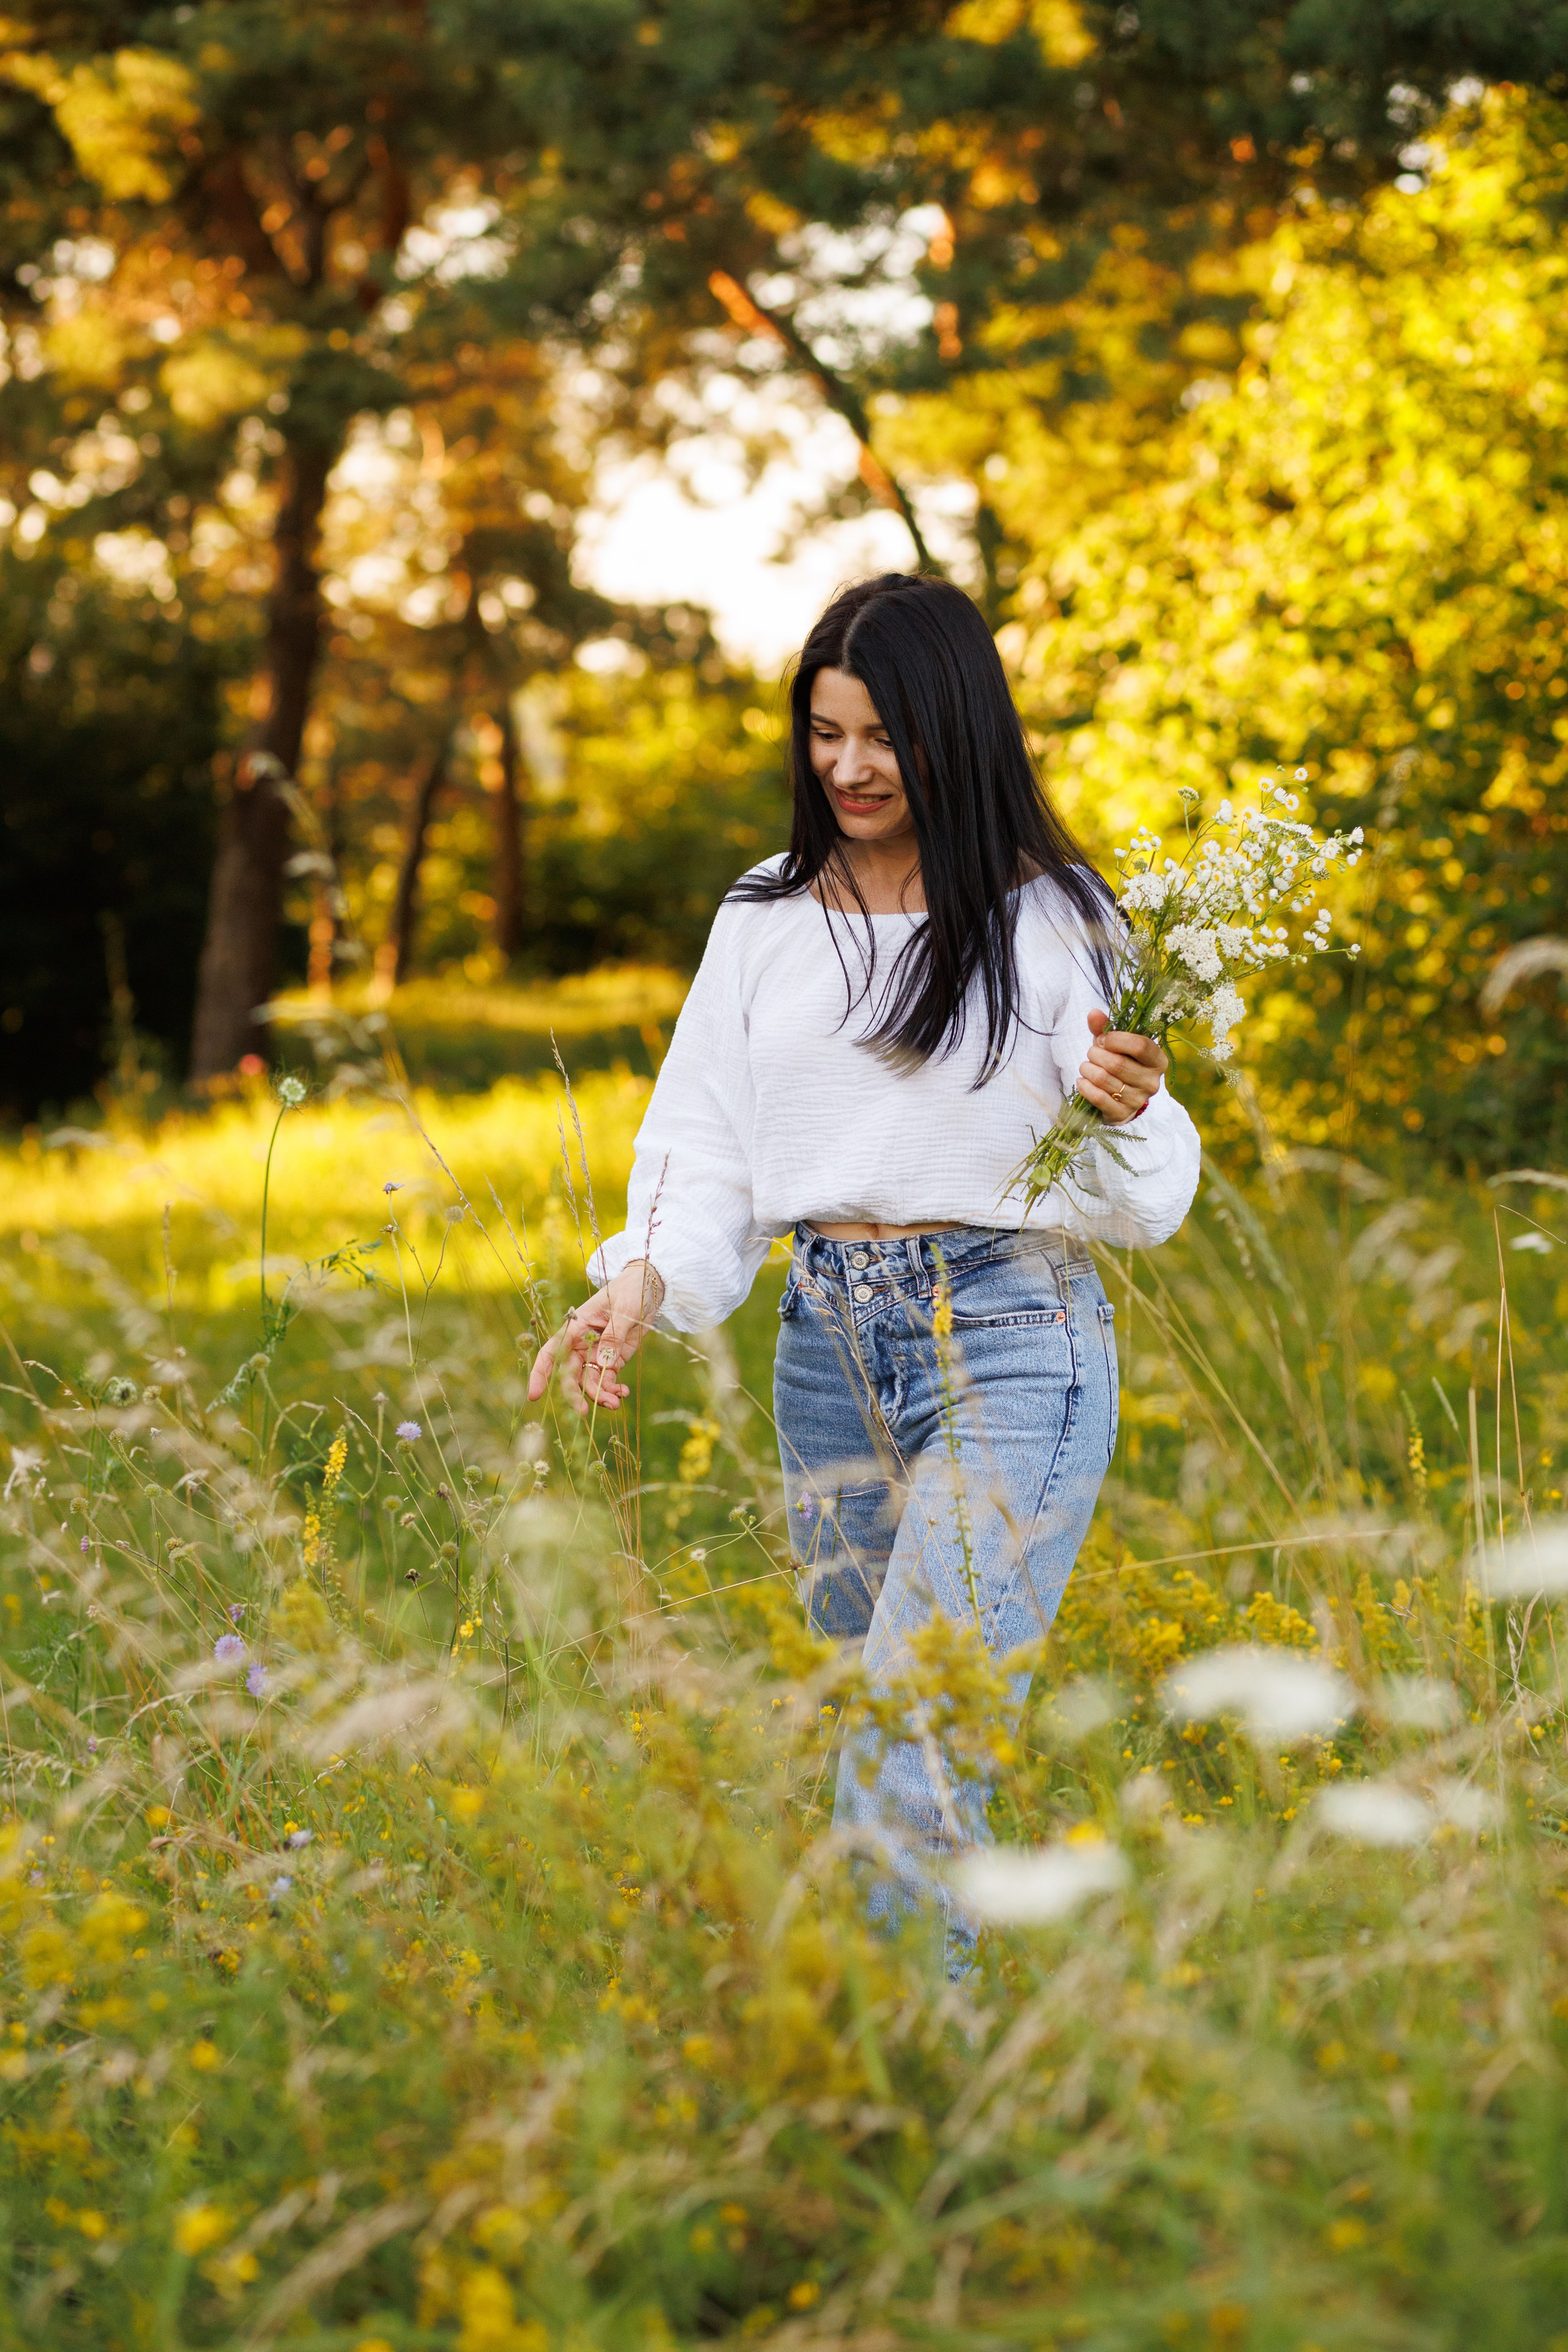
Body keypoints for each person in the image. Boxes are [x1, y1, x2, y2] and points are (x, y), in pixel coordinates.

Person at [528, 571, 1200, 1966]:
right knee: (879, 1726)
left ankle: (905, 2103)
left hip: (1012, 1336)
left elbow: (1141, 1198)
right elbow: (701, 1142)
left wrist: (1131, 1110)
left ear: (952, 732)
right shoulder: (766, 916)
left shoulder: (1056, 915)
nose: (845, 766)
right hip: (825, 1346)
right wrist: (640, 1279)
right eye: (823, 733)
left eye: (880, 737)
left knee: (910, 1739)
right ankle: (949, 2049)